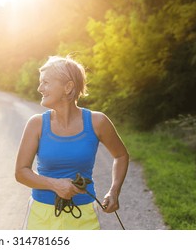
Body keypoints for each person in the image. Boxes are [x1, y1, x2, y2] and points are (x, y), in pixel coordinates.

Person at [15, 55, 129, 230]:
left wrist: (114, 191)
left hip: (84, 215)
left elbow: (121, 155)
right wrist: (55, 185)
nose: (39, 88)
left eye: (45, 82)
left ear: (68, 87)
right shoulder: (36, 124)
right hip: (42, 216)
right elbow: (21, 173)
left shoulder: (98, 122)